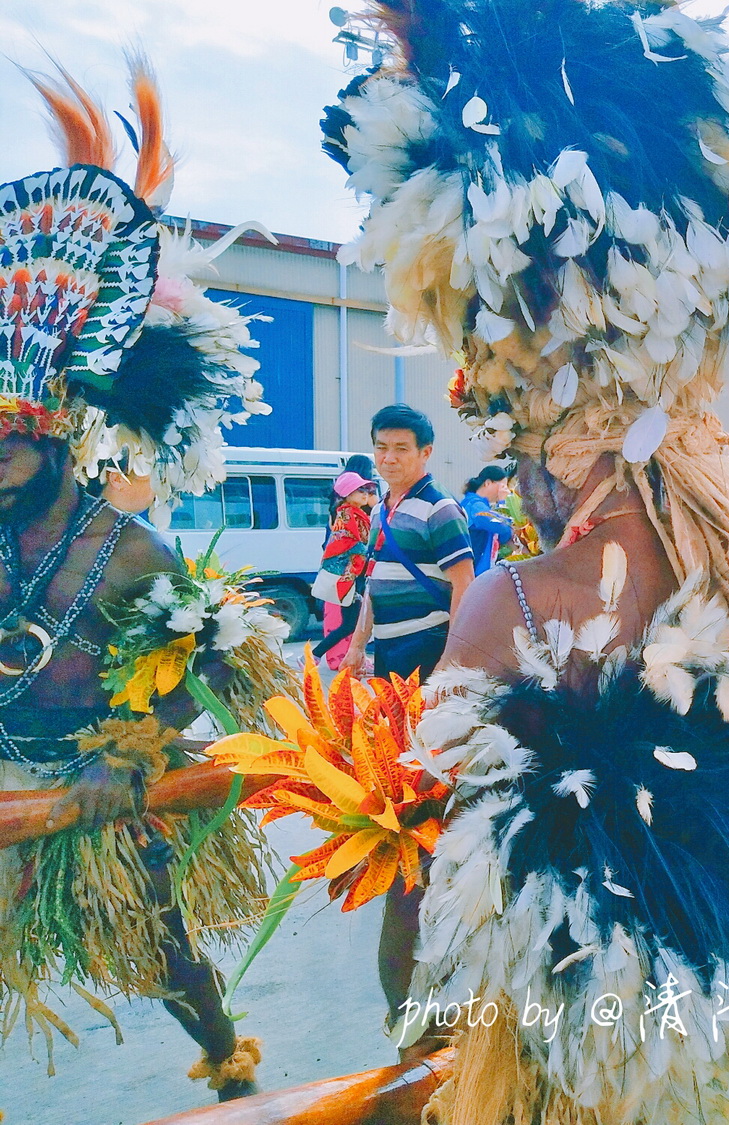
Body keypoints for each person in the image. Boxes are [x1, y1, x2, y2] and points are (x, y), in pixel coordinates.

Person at [320, 5, 729, 1124]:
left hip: (580, 1057)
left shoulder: (517, 601)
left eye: (506, 433)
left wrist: (422, 1052)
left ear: (545, 439)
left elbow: (437, 894)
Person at [0, 60, 284, 1099]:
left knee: (161, 953)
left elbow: (201, 652)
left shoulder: (127, 551)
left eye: (10, 447)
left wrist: (138, 746)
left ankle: (225, 1058)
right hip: (6, 778)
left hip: (99, 797)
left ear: (59, 437)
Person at [340, 405, 475, 681]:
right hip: (387, 646)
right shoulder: (379, 510)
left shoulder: (439, 507)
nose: (389, 458)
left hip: (427, 645)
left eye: (401, 448)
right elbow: (373, 582)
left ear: (425, 452)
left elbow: (465, 585)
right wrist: (356, 646)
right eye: (381, 447)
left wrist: (449, 659)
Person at [312, 469, 379, 669]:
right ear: (348, 494)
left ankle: (356, 658)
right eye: (360, 490)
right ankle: (316, 655)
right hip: (349, 576)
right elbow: (355, 542)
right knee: (353, 623)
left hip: (351, 575)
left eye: (366, 490)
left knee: (355, 622)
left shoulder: (349, 512)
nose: (365, 494)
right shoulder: (349, 514)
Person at [458, 464, 514, 574]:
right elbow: (500, 526)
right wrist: (503, 503)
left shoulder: (480, 505)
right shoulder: (474, 505)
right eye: (502, 486)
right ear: (488, 483)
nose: (505, 490)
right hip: (474, 572)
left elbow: (503, 536)